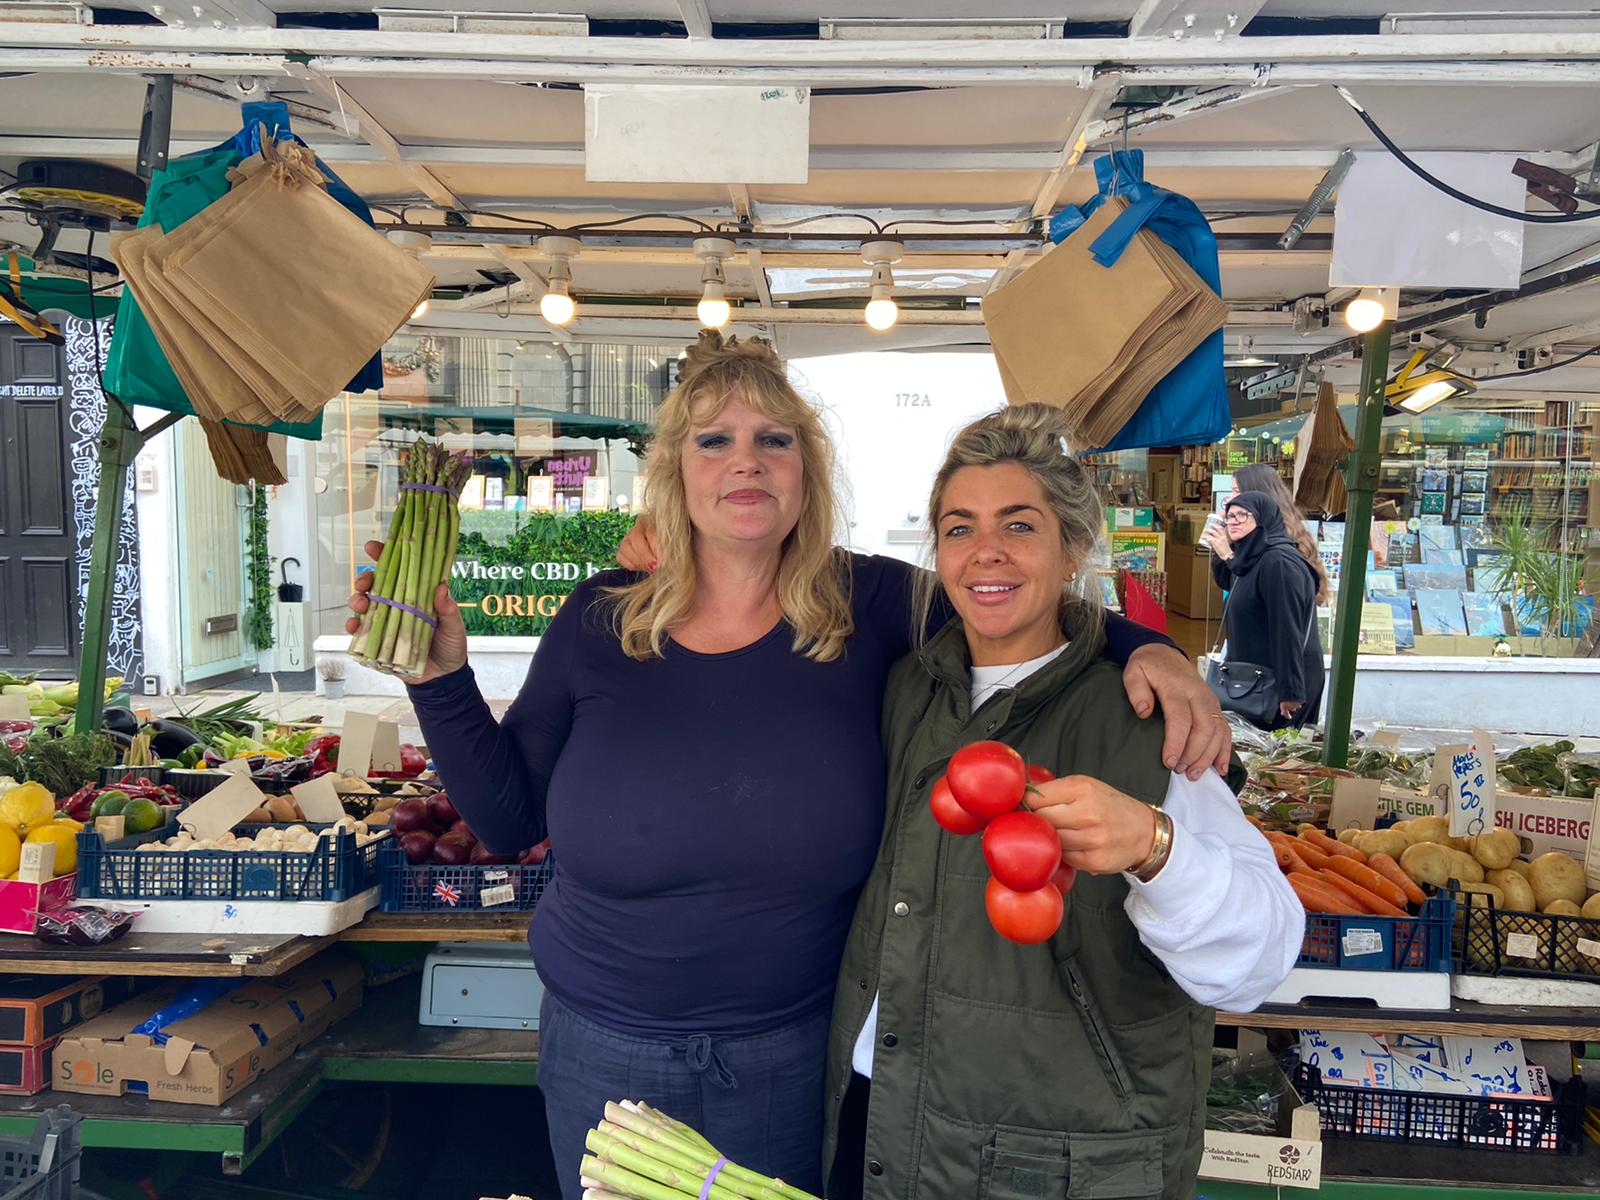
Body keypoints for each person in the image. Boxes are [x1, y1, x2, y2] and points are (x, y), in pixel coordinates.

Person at [344, 333, 1229, 1200]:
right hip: (601, 1046)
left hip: (789, 1055)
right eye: (715, 440)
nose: (747, 461)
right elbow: (508, 822)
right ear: (675, 472)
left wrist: (1148, 647)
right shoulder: (599, 620)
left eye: (775, 440)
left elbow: (1007, 596)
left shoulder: (872, 604)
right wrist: (439, 673)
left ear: (806, 471)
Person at [820, 405, 1303, 1200]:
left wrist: (1156, 847)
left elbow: (1261, 960)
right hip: (881, 1124)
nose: (986, 553)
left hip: (1056, 1158)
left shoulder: (1146, 715)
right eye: (958, 527)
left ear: (1073, 548)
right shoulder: (907, 687)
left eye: (1019, 526)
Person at [1204, 491, 1324, 729]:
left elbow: (1286, 627)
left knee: (1276, 758)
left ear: (1263, 518)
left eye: (1242, 515)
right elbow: (1231, 580)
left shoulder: (1278, 562)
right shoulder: (1253, 559)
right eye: (1230, 516)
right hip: (1253, 681)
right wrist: (1224, 553)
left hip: (1279, 687)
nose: (1234, 521)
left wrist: (1290, 691)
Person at [1211, 463, 1329, 603]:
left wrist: (1228, 555)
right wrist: (1225, 549)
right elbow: (1229, 582)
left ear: (1258, 494)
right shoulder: (1251, 534)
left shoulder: (1278, 552)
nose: (1231, 498)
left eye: (1237, 491)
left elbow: (1282, 611)